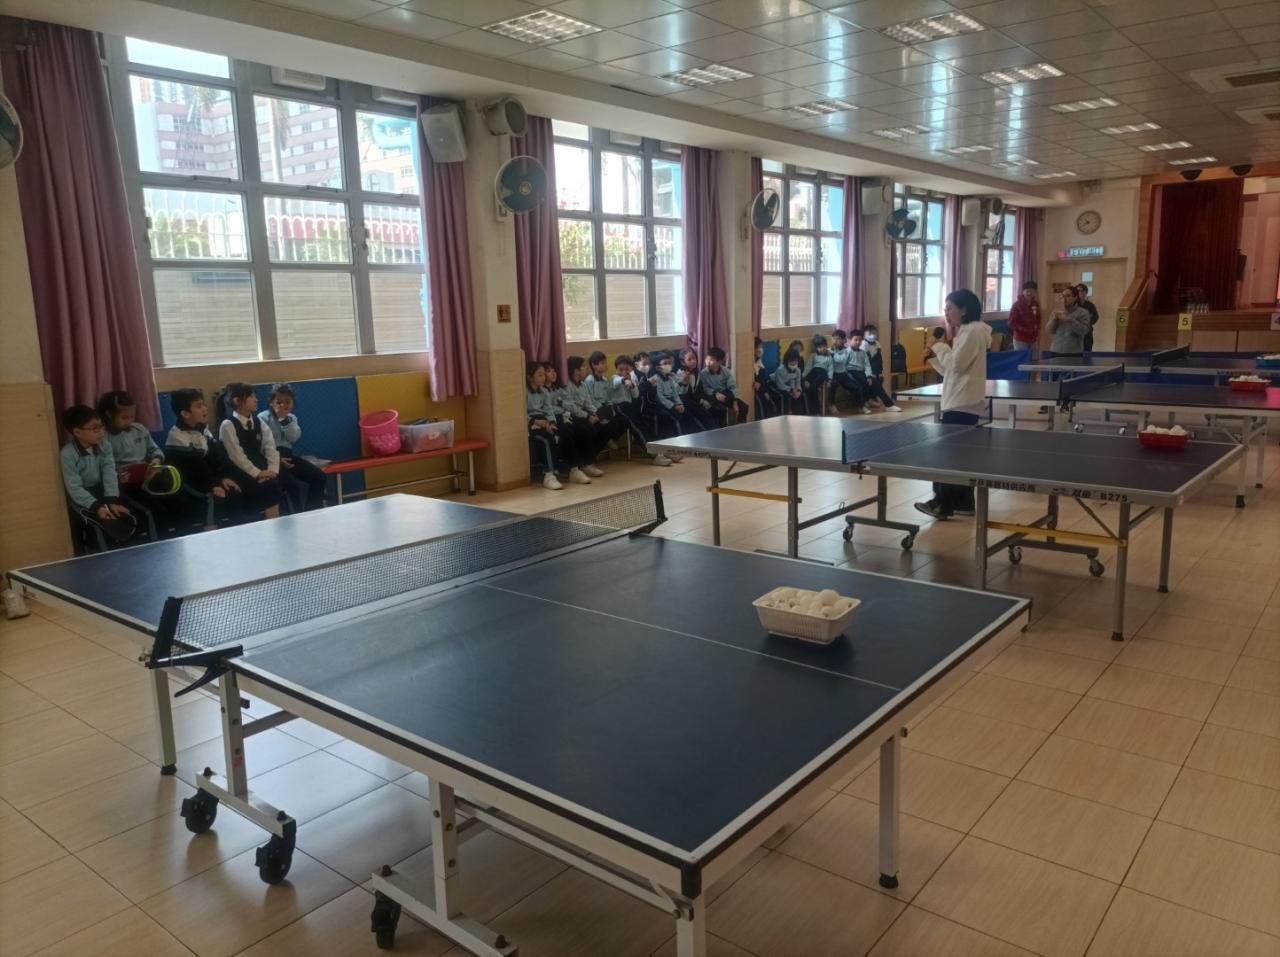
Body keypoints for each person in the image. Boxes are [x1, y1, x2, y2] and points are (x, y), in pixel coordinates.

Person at [915, 289, 992, 520]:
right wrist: (933, 356)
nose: (946, 313)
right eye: (945, 308)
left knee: (948, 456)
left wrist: (939, 346)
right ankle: (964, 503)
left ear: (964, 309)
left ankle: (942, 504)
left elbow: (957, 365)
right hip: (960, 400)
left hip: (961, 403)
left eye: (949, 308)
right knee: (960, 456)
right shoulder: (967, 332)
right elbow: (952, 370)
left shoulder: (972, 332)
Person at [166, 387, 244, 530]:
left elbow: (217, 457)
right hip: (188, 485)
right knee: (212, 500)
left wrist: (223, 478)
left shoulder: (203, 429)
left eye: (203, 404)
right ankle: (211, 533)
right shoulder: (177, 437)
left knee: (234, 491)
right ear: (185, 414)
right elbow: (195, 469)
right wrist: (213, 485)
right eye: (199, 406)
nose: (204, 409)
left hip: (206, 479)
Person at [59, 404, 138, 546]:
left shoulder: (104, 445)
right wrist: (97, 507)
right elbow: (74, 488)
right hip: (83, 498)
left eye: (101, 426)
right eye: (95, 429)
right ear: (77, 432)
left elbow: (109, 473)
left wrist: (112, 500)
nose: (101, 432)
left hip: (103, 490)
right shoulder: (68, 454)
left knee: (127, 516)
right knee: (100, 528)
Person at [216, 382, 282, 520]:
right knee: (268, 487)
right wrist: (257, 473)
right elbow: (236, 456)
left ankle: (273, 523)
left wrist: (272, 471)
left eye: (255, 396)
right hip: (239, 471)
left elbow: (271, 447)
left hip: (261, 468)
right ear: (237, 401)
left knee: (274, 483)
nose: (256, 399)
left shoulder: (259, 422)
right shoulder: (228, 425)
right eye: (251, 396)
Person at [258, 383, 326, 511]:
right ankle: (297, 516)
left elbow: (294, 437)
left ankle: (312, 511)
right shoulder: (262, 418)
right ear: (271, 403)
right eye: (278, 402)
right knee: (292, 486)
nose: (283, 405)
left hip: (288, 456)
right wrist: (277, 459)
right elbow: (260, 444)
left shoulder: (292, 418)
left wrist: (284, 420)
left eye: (287, 402)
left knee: (319, 477)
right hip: (271, 459)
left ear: (292, 404)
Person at [526, 361, 590, 489]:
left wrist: (552, 423)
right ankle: (549, 475)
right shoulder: (525, 392)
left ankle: (574, 470)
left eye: (543, 374)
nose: (543, 377)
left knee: (567, 432)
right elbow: (521, 413)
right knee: (546, 439)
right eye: (539, 375)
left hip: (546, 421)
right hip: (532, 424)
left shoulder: (544, 392)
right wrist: (534, 422)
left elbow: (549, 410)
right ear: (530, 377)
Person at [610, 354, 674, 466]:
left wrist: (632, 385)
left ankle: (662, 451)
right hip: (620, 408)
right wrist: (625, 380)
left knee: (647, 426)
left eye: (627, 369)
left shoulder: (631, 379)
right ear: (616, 369)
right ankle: (654, 455)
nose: (624, 372)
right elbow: (617, 381)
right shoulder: (614, 378)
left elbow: (636, 395)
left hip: (630, 407)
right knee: (638, 428)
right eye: (620, 369)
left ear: (631, 369)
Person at [547, 361, 605, 479]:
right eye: (548, 371)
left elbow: (568, 403)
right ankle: (574, 469)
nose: (553, 373)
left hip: (567, 415)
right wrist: (563, 409)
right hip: (554, 418)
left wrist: (596, 415)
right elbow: (550, 408)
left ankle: (587, 464)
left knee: (587, 429)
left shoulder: (559, 388)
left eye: (554, 370)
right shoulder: (544, 391)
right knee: (570, 432)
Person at [652, 351, 704, 434]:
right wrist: (674, 406)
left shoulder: (671, 376)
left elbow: (677, 393)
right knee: (678, 420)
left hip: (675, 402)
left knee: (689, 416)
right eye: (665, 363)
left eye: (669, 363)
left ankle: (694, 437)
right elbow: (661, 398)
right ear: (658, 368)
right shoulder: (656, 379)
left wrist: (680, 403)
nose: (668, 365)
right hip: (663, 406)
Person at [698, 347, 748, 425]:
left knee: (744, 406)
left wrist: (734, 401)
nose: (708, 362)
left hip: (725, 396)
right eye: (707, 359)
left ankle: (741, 426)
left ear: (719, 362)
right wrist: (716, 394)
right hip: (713, 396)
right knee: (721, 410)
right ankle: (723, 429)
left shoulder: (726, 372)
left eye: (711, 360)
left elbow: (733, 387)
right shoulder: (703, 373)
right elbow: (706, 388)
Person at [858, 324, 902, 412]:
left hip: (874, 370)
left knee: (880, 379)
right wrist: (870, 374)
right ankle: (889, 404)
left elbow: (879, 360)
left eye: (874, 333)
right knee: (875, 383)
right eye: (870, 333)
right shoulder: (863, 344)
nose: (872, 335)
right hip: (864, 371)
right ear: (864, 335)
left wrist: (879, 372)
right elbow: (865, 362)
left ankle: (869, 399)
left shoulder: (877, 343)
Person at [1048, 286, 1092, 357]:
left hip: (1073, 352)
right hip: (1056, 351)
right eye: (1063, 296)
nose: (1064, 299)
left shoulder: (1083, 312)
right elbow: (1049, 330)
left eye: (1068, 296)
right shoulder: (1056, 312)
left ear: (1075, 298)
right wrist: (1054, 320)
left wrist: (1069, 319)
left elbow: (1084, 331)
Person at [678, 348, 716, 430]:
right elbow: (685, 394)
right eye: (689, 359)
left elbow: (698, 389)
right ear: (683, 362)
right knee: (704, 416)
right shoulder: (681, 374)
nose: (693, 361)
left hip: (695, 398)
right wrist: (701, 401)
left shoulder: (697, 371)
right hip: (685, 401)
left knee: (715, 408)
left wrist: (704, 399)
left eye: (694, 358)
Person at [829, 330, 866, 412]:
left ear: (844, 340)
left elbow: (841, 360)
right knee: (833, 384)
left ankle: (861, 406)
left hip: (843, 374)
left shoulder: (846, 350)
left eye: (838, 339)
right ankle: (832, 404)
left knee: (856, 386)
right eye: (833, 339)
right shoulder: (829, 350)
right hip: (832, 374)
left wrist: (833, 353)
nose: (835, 341)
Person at [1008, 281, 1042, 356]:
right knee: (1022, 360)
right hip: (1020, 339)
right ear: (1023, 292)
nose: (1029, 293)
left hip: (1033, 339)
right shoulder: (1017, 305)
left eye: (1032, 291)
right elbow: (1011, 323)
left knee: (1033, 359)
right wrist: (1024, 330)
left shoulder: (1035, 304)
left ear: (1035, 292)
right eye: (1027, 291)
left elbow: (1038, 319)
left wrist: (1037, 329)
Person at [772, 348, 806, 414]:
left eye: (795, 361)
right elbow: (780, 385)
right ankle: (786, 413)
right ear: (786, 361)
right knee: (786, 395)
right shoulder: (780, 370)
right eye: (791, 361)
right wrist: (791, 390)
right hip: (775, 384)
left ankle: (797, 413)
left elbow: (798, 382)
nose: (794, 363)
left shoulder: (798, 370)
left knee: (799, 395)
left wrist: (798, 390)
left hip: (789, 385)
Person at [805, 334, 834, 414]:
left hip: (823, 373)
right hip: (814, 372)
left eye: (824, 346)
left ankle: (816, 411)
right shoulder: (813, 355)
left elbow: (831, 369)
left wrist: (829, 380)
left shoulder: (828, 356)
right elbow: (808, 367)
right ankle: (811, 410)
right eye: (820, 347)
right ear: (816, 348)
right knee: (808, 388)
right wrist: (805, 378)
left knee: (814, 387)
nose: (823, 348)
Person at [752, 336, 779, 419]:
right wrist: (763, 391)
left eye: (761, 347)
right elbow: (756, 384)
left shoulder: (759, 362)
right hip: (756, 392)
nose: (760, 349)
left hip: (763, 389)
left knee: (775, 396)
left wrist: (765, 391)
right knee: (760, 401)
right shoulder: (750, 363)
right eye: (758, 347)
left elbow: (764, 380)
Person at [1076, 283, 1100, 352]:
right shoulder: (1073, 305)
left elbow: (1095, 317)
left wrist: (1086, 321)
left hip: (1087, 334)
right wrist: (1087, 316)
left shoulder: (1090, 305)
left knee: (1087, 353)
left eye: (1082, 291)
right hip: (1075, 335)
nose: (1080, 293)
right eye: (1078, 291)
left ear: (1086, 292)